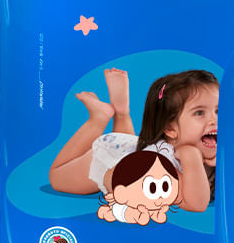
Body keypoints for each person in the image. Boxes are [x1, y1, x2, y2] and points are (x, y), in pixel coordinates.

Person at [49, 68, 217, 212]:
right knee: (56, 177)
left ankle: (121, 112)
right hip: (104, 163)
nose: (214, 120)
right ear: (170, 129)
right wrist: (192, 156)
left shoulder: (214, 147)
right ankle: (97, 118)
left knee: (133, 154)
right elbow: (197, 204)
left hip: (131, 151)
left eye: (218, 110)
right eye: (199, 113)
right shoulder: (162, 167)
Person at [97, 150, 180, 225]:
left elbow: (160, 218)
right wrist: (144, 213)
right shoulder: (136, 210)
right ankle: (105, 211)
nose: (160, 197)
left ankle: (107, 208)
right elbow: (143, 220)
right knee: (110, 214)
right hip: (121, 209)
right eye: (152, 189)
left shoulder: (151, 207)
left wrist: (161, 212)